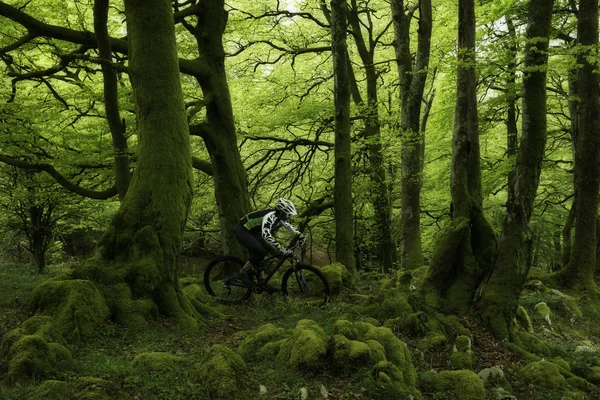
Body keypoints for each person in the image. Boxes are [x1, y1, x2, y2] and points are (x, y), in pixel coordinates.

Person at [235, 198, 306, 291]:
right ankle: (241, 274)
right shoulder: (270, 217)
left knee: (260, 255)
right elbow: (266, 235)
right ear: (281, 212)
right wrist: (279, 248)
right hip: (243, 230)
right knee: (260, 252)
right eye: (287, 214)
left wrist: (300, 235)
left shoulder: (279, 217)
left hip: (253, 232)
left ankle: (262, 282)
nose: (288, 216)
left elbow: (289, 226)